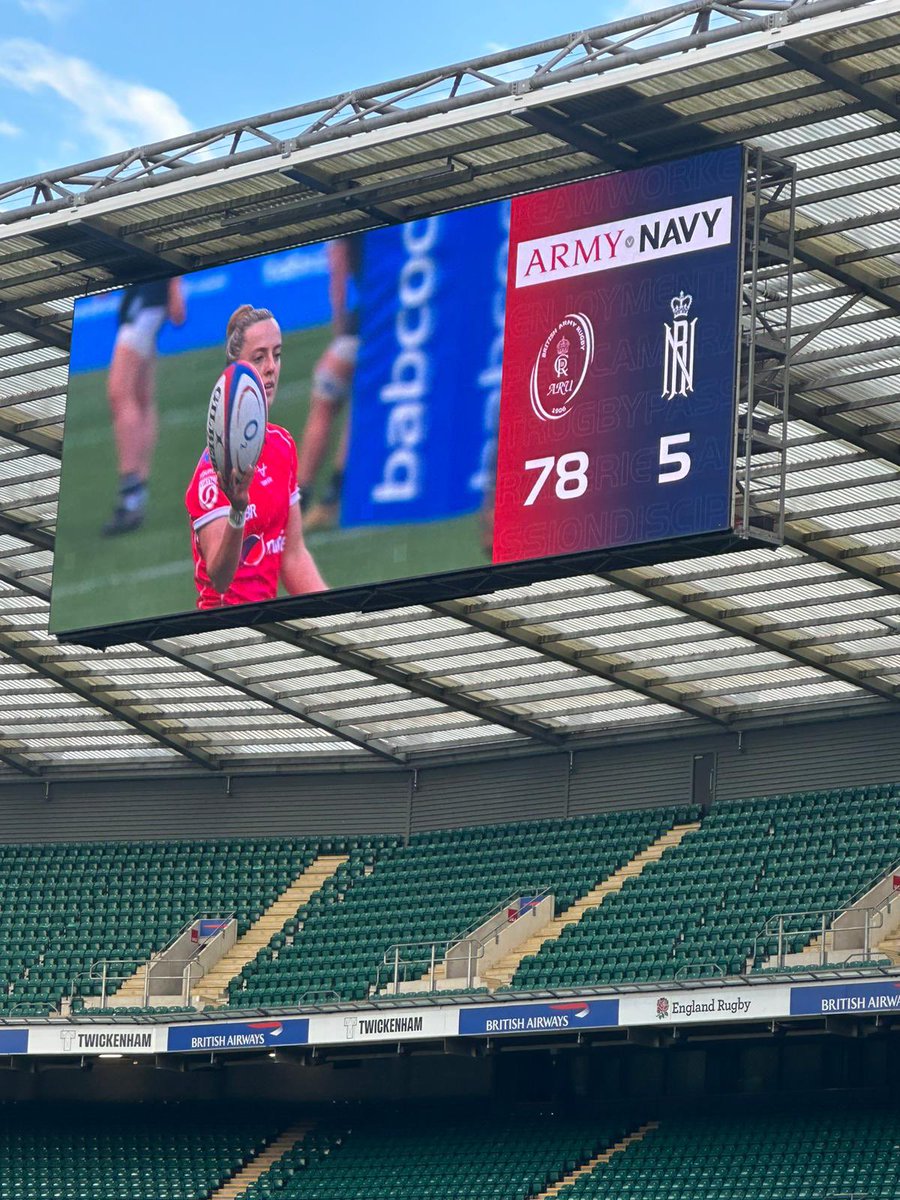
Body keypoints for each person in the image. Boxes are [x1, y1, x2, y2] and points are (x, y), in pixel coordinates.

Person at [184, 305, 326, 609]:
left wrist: (336, 616)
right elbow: (220, 578)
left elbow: (294, 556)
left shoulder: (282, 445)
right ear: (235, 371)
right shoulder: (213, 473)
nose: (271, 367)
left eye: (277, 354)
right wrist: (238, 509)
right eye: (259, 358)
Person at [103, 277, 186, 535]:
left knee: (119, 392)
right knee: (140, 397)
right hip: (141, 290)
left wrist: (174, 285)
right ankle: (136, 492)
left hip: (149, 293)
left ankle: (131, 495)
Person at [296, 235, 362, 530]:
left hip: (364, 320)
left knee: (326, 399)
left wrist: (339, 327)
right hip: (387, 314)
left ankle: (303, 498)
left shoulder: (344, 214)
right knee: (356, 401)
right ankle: (331, 495)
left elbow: (337, 271)